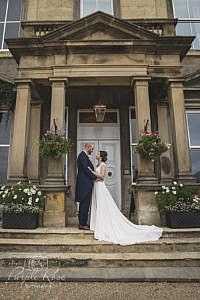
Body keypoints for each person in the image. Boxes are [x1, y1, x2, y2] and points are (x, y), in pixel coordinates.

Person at [89, 151, 163, 245]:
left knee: (102, 205)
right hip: (97, 186)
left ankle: (103, 225)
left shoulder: (103, 165)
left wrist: (92, 172)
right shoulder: (98, 164)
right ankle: (98, 224)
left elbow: (102, 177)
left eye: (98, 154)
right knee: (98, 205)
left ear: (101, 157)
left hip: (100, 186)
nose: (96, 155)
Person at [76, 144, 102, 230]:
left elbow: (88, 169)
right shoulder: (82, 156)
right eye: (92, 148)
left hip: (86, 184)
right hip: (84, 185)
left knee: (85, 204)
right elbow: (86, 170)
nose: (92, 150)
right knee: (84, 204)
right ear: (87, 147)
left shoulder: (84, 156)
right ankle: (82, 224)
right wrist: (95, 177)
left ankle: (83, 222)